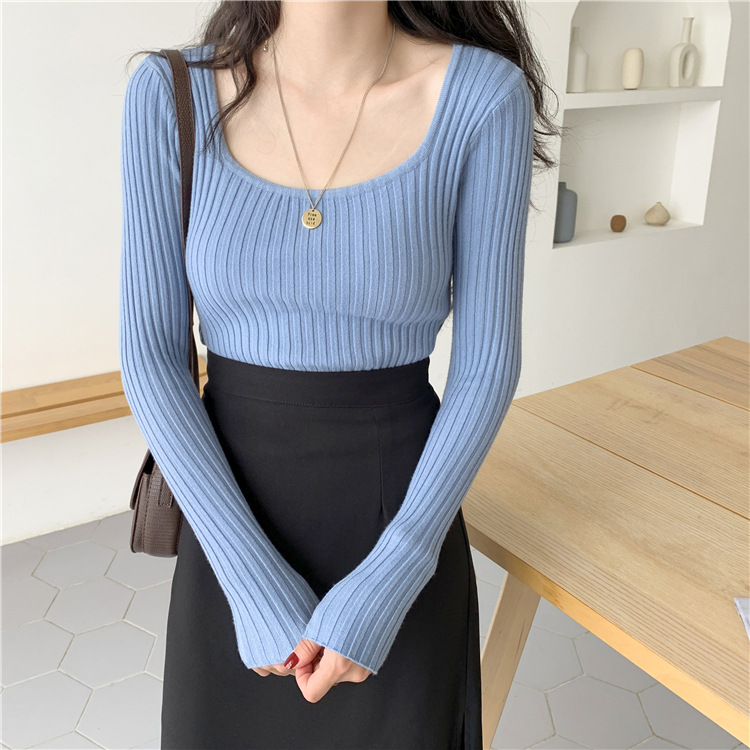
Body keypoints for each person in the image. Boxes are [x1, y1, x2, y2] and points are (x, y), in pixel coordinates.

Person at [119, 1, 558, 748]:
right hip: (227, 543)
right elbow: (151, 356)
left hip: (401, 538)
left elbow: (486, 368)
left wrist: (392, 579)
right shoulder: (168, 95)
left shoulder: (483, 98)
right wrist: (249, 580)